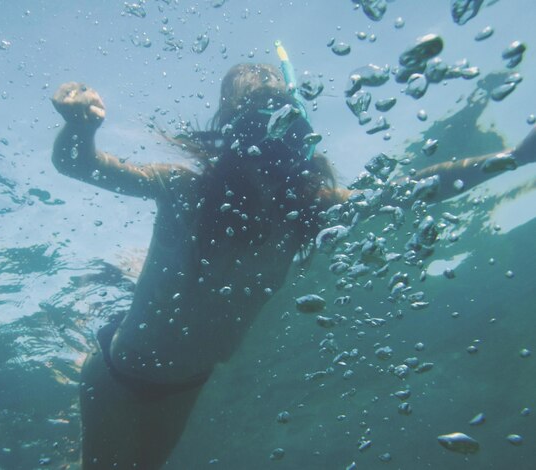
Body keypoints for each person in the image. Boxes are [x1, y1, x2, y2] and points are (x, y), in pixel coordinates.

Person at [51, 62, 535, 469]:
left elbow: (408, 189)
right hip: (118, 372)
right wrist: (78, 128)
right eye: (254, 123)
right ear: (233, 134)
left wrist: (511, 158)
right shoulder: (185, 190)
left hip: (184, 386)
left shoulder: (310, 211)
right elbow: (82, 167)